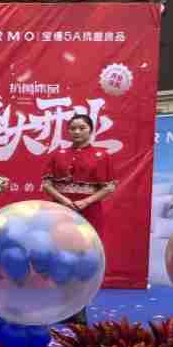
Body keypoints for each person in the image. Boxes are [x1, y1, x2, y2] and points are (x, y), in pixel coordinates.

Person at [41, 113, 115, 325]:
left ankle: (79, 309)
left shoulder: (102, 155)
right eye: (73, 128)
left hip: (89, 212)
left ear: (91, 130)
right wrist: (64, 200)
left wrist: (86, 201)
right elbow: (46, 184)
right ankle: (61, 307)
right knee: (59, 257)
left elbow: (109, 187)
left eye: (82, 128)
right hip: (60, 212)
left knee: (84, 259)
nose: (77, 132)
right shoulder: (58, 155)